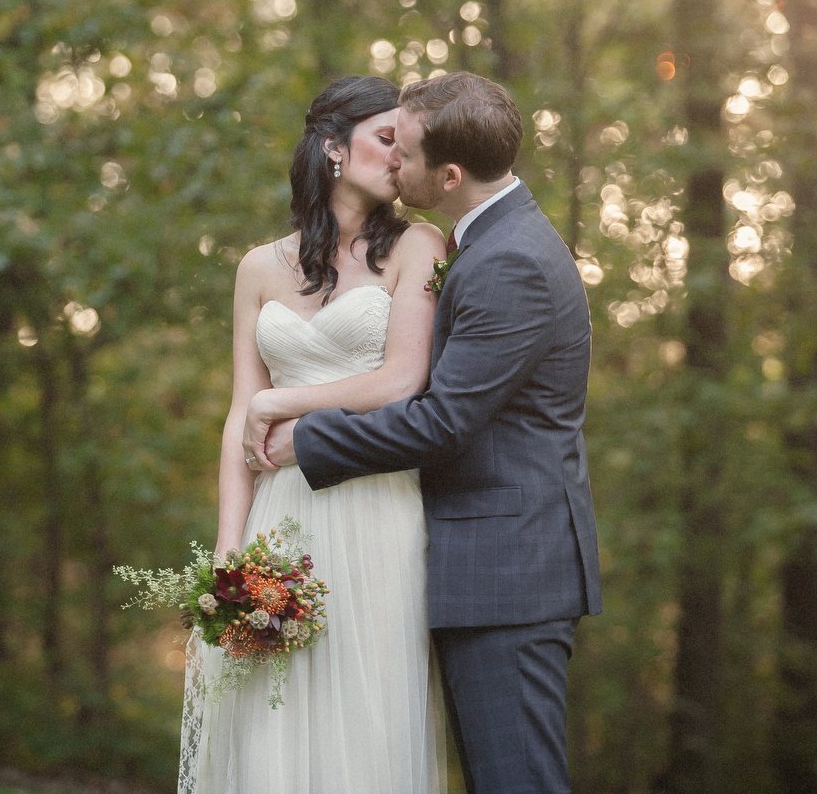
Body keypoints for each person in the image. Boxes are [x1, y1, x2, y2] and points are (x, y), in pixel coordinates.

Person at [257, 71, 603, 794]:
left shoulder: (511, 262)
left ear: (447, 175)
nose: (393, 163)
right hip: (484, 566)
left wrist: (305, 440)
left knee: (518, 782)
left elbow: (444, 420)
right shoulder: (485, 241)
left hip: (510, 572)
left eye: (404, 151)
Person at [178, 75, 449, 794]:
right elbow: (241, 412)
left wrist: (286, 402)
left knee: (366, 727)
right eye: (387, 139)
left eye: (409, 145)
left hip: (376, 513)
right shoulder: (258, 268)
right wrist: (230, 553)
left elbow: (402, 381)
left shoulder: (421, 245)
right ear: (333, 146)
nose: (401, 158)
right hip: (281, 515)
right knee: (268, 727)